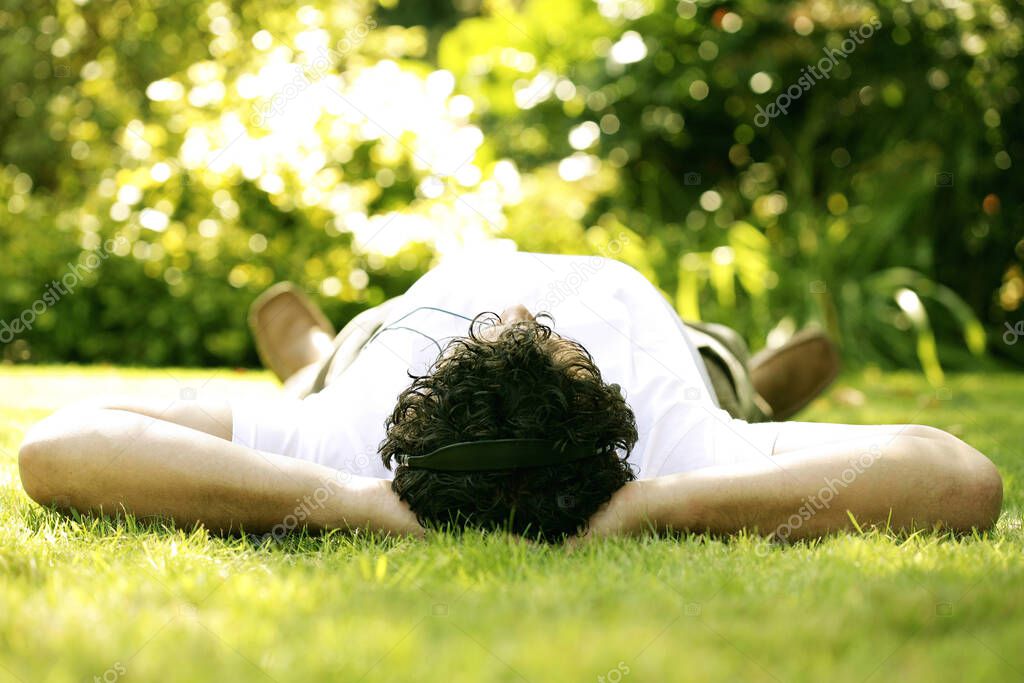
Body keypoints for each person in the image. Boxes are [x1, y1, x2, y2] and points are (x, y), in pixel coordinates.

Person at [17, 250, 1003, 543]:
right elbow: (958, 477)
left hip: (376, 345)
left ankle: (311, 354)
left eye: (498, 325)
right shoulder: (676, 442)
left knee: (337, 355)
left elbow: (57, 445)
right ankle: (752, 381)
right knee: (713, 374)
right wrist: (672, 499)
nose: (520, 298)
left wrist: (352, 501)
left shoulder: (349, 435)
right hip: (680, 361)